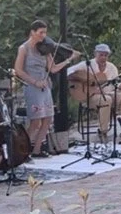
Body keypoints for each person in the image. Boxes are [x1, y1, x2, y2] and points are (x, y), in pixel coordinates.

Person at [15, 20, 81, 158]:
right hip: (32, 86)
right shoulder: (24, 49)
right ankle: (20, 150)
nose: (43, 36)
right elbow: (18, 71)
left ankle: (37, 150)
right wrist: (34, 81)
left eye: (45, 33)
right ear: (32, 32)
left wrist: (69, 59)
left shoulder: (45, 49)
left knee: (48, 118)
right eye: (41, 33)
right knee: (35, 121)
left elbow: (54, 68)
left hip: (45, 85)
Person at [70, 44, 121, 140]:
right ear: (95, 54)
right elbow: (67, 72)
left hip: (107, 93)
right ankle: (102, 131)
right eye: (101, 55)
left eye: (106, 55)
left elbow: (115, 84)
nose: (103, 57)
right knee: (106, 99)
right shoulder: (87, 64)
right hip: (89, 96)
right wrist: (85, 79)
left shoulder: (111, 67)